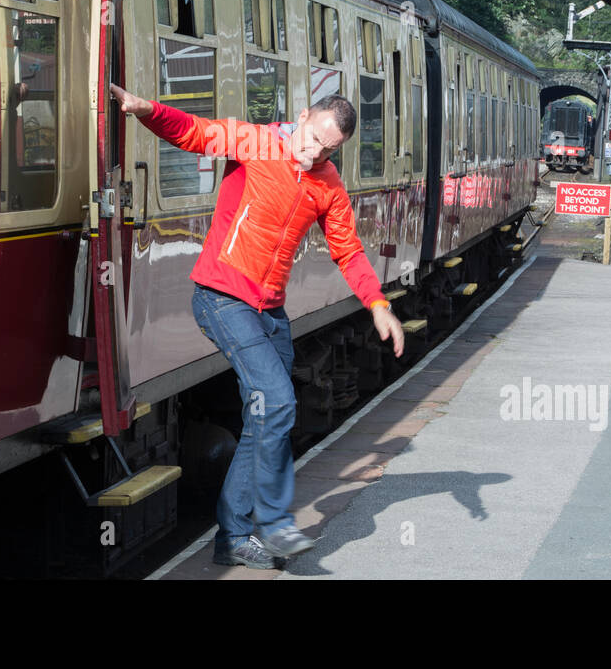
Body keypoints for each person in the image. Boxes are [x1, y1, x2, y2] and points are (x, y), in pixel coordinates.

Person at [110, 83, 405, 569]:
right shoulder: (257, 142)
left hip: (270, 312)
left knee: (267, 416)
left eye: (328, 149)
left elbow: (348, 250)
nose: (313, 153)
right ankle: (267, 525)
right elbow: (194, 133)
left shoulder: (327, 184)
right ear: (302, 115)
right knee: (280, 401)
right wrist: (146, 110)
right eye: (311, 139)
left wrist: (377, 304)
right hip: (222, 297)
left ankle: (234, 536)